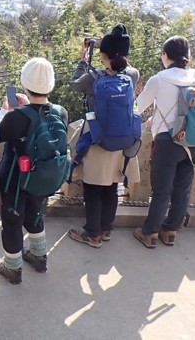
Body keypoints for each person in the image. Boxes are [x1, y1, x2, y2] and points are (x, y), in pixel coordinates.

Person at [0, 57, 67, 285]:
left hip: (16, 180)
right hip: (44, 177)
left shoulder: (17, 117)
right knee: (35, 214)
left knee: (12, 221)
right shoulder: (59, 111)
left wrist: (7, 111)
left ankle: (13, 267)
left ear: (24, 83)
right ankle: (39, 256)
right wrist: (27, 106)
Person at [68, 25, 141, 247]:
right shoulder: (132, 74)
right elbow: (119, 60)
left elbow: (74, 86)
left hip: (97, 139)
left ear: (103, 55)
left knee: (93, 188)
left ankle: (92, 234)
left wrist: (83, 60)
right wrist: (108, 45)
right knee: (112, 185)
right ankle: (106, 229)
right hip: (122, 141)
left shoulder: (92, 77)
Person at [133, 36, 195, 248]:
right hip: (193, 141)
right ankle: (171, 230)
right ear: (188, 57)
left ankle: (150, 233)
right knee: (182, 189)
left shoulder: (159, 79)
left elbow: (137, 107)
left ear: (166, 56)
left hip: (166, 141)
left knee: (161, 191)